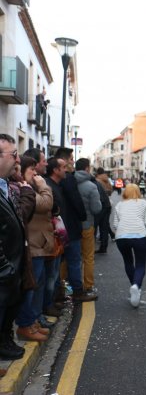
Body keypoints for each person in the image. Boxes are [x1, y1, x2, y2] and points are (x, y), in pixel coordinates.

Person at [14, 156, 55, 342]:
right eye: (32, 170)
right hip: (32, 245)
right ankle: (26, 324)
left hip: (38, 243)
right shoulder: (24, 189)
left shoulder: (29, 188)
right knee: (30, 287)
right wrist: (43, 185)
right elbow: (46, 203)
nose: (36, 173)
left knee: (35, 285)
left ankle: (31, 321)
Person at [52, 148, 96, 303]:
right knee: (74, 260)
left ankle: (60, 292)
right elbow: (75, 200)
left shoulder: (49, 180)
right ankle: (77, 291)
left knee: (59, 262)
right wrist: (82, 216)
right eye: (71, 159)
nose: (72, 162)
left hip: (57, 227)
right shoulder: (69, 179)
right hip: (70, 227)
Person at [0, 134, 27, 360]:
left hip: (12, 266)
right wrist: (5, 268)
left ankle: (5, 343)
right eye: (14, 155)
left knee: (8, 312)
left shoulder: (5, 185)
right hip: (4, 269)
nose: (18, 160)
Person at [113, 184, 146, 307]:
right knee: (140, 264)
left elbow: (115, 224)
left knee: (128, 262)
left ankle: (134, 286)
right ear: (138, 192)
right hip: (139, 235)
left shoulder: (119, 205)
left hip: (121, 236)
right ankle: (136, 285)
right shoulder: (143, 203)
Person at [74, 158, 102, 297]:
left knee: (71, 257)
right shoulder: (91, 186)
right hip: (86, 226)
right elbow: (96, 209)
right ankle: (88, 285)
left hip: (71, 226)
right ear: (86, 169)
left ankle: (67, 285)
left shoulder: (68, 182)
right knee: (88, 257)